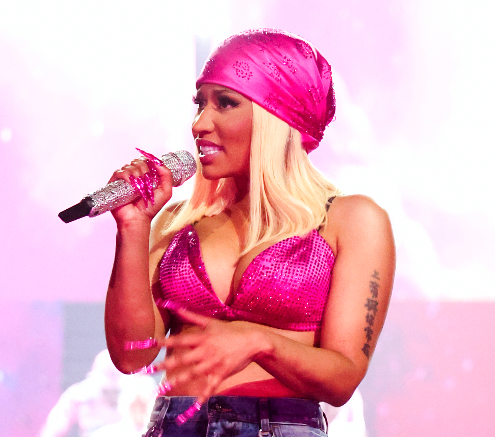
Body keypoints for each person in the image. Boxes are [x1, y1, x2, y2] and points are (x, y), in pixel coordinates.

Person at [103, 28, 395, 437]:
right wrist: (133, 229)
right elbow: (131, 357)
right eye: (199, 103)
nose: (200, 123)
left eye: (225, 103)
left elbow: (343, 377)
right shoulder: (175, 224)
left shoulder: (352, 220)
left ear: (277, 115)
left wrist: (258, 341)